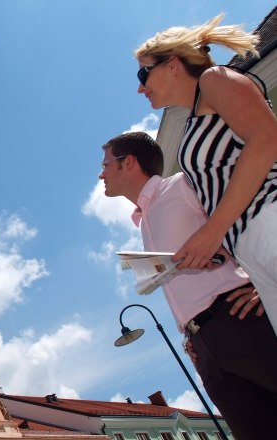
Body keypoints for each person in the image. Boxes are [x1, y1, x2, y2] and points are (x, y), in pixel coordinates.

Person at [99, 131, 277, 440]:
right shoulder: (143, 219)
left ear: (128, 163)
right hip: (205, 347)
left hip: (240, 318)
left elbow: (256, 217)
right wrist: (193, 336)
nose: (101, 174)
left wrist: (266, 285)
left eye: (105, 164)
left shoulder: (182, 185)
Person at [134, 14, 277, 334]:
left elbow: (267, 138)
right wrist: (220, 245)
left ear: (172, 64)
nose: (141, 87)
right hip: (251, 250)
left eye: (143, 72)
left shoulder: (214, 79)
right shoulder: (193, 122)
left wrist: (212, 233)